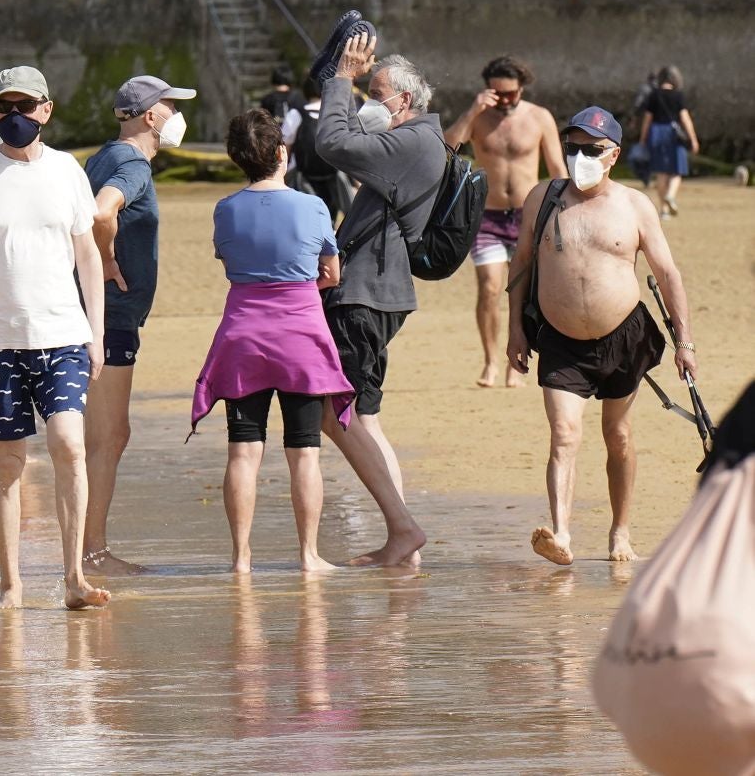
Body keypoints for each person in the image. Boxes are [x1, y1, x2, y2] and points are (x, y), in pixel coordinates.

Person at [0, 65, 111, 611]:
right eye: (4, 107)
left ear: (46, 111)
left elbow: (88, 255)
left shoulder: (67, 171)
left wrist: (96, 333)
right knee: (7, 462)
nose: (14, 117)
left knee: (69, 443)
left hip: (61, 333)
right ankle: (11, 583)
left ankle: (74, 577)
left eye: (25, 107)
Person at [507, 106, 695, 565]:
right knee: (564, 434)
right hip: (559, 337)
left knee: (619, 435)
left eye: (591, 150)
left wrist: (684, 343)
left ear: (613, 155)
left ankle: (620, 531)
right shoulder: (544, 197)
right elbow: (522, 264)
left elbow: (667, 273)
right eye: (573, 148)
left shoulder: (634, 205)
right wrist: (514, 329)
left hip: (623, 337)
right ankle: (562, 534)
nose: (579, 158)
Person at [195, 108, 356, 572]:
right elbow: (331, 272)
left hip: (243, 333)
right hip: (301, 333)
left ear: (237, 158)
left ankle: (241, 558)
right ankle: (309, 556)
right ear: (282, 152)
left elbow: (228, 263)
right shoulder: (313, 206)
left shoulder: (225, 209)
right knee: (304, 450)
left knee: (243, 450)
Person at [313, 35, 445, 568]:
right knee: (362, 417)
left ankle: (403, 529)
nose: (372, 100)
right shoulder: (413, 141)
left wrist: (341, 78)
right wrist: (345, 79)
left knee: (338, 414)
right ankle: (402, 537)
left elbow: (330, 143)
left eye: (378, 92)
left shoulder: (412, 144)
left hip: (367, 297)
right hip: (370, 294)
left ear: (404, 101)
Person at [79, 74, 196, 576]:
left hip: (92, 312)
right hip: (109, 316)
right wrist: (106, 257)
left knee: (92, 437)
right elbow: (102, 213)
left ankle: (84, 548)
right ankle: (92, 552)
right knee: (109, 437)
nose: (176, 116)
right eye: (171, 106)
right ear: (151, 116)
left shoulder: (104, 155)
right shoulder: (131, 164)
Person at [442, 56, 568, 388]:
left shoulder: (539, 117)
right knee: (489, 288)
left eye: (510, 94)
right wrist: (472, 111)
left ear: (521, 88)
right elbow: (445, 148)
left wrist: (566, 209)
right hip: (487, 216)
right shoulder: (479, 117)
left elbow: (557, 169)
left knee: (526, 293)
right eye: (497, 93)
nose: (504, 100)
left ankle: (519, 361)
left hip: (529, 215)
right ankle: (489, 361)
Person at [286, 76, 354, 223]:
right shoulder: (336, 114)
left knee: (307, 219)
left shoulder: (296, 114)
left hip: (305, 177)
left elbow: (286, 147)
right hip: (333, 176)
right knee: (330, 218)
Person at [637, 65, 699, 219]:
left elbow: (647, 119)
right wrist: (693, 138)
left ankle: (663, 209)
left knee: (661, 172)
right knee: (677, 170)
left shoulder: (654, 95)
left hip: (657, 133)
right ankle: (671, 195)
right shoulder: (678, 96)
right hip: (673, 134)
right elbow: (685, 119)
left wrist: (643, 138)